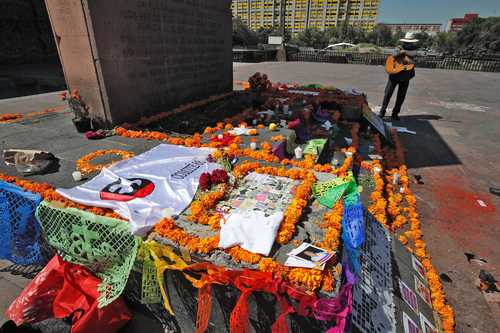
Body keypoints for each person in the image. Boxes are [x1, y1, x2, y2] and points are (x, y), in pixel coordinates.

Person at [379, 32, 418, 121]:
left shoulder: (414, 51)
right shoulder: (399, 48)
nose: (408, 44)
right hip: (395, 74)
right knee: (388, 94)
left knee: (401, 96)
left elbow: (413, 61)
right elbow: (393, 56)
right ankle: (382, 112)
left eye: (410, 42)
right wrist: (402, 52)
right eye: (407, 42)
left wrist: (408, 57)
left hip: (406, 76)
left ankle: (395, 113)